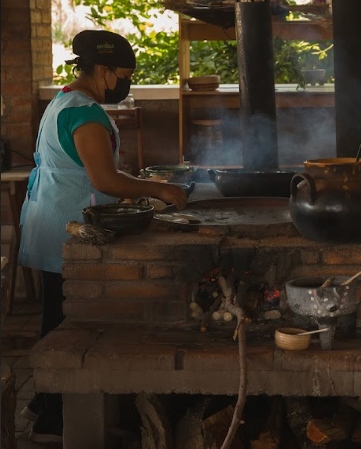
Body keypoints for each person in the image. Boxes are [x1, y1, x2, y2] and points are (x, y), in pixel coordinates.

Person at [17, 29, 187, 444]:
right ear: (105, 71)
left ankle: (44, 405)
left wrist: (146, 181)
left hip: (51, 215)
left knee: (57, 316)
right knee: (65, 324)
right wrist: (160, 189)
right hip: (68, 224)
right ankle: (54, 420)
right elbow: (106, 180)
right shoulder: (85, 113)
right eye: (124, 75)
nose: (125, 84)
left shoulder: (64, 100)